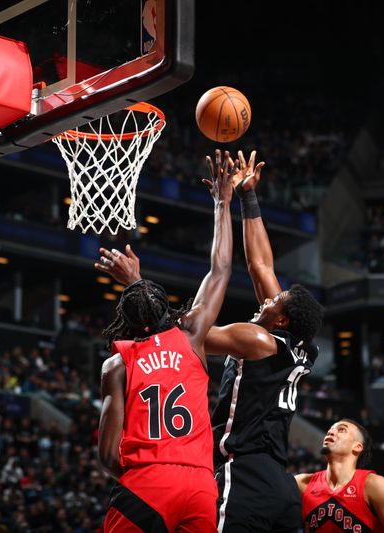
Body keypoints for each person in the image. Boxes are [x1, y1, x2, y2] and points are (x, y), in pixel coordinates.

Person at [98, 150, 325, 532]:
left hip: (241, 470)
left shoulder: (255, 338)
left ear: (282, 319)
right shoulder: (299, 345)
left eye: (274, 302)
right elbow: (261, 266)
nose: (267, 298)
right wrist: (247, 198)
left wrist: (139, 287)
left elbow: (183, 330)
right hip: (271, 481)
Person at [95, 150, 235, 532]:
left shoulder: (118, 363)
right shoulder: (191, 334)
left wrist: (150, 474)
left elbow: (108, 456)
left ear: (127, 323)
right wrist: (223, 202)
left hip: (147, 483)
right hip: (200, 486)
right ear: (166, 308)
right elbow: (221, 267)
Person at [295, 419, 384, 533]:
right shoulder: (302, 483)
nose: (331, 432)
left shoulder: (375, 486)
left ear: (357, 447)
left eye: (341, 430)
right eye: (330, 430)